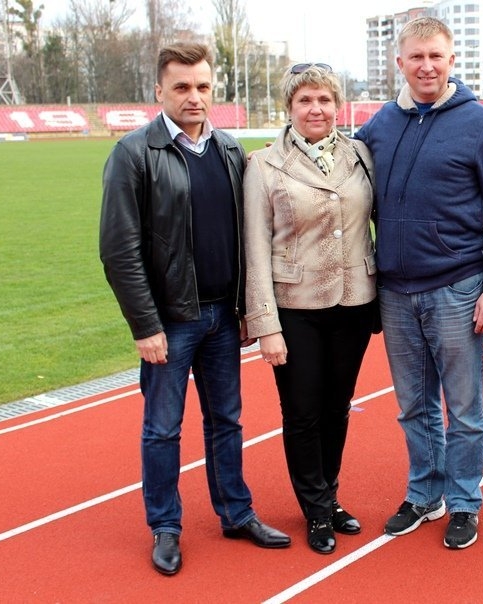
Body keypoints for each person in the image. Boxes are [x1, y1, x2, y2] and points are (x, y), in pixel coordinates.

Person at [99, 42, 291, 576]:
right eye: (181, 86)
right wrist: (145, 324)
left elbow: (246, 236)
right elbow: (119, 250)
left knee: (226, 420)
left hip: (223, 318)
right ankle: (165, 526)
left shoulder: (228, 149)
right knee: (163, 429)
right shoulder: (134, 154)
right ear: (159, 91)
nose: (194, 96)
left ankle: (236, 513)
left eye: (203, 86)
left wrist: (247, 309)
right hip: (171, 321)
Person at [354, 16, 483, 549]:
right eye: (416, 56)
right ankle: (424, 494)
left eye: (436, 56)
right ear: (400, 62)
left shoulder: (481, 124)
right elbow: (338, 178)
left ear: (452, 61)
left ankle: (465, 502)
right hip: (395, 292)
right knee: (414, 406)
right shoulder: (380, 125)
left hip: (457, 287)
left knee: (464, 409)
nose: (426, 66)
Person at [242, 63, 376, 555]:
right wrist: (265, 325)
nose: (315, 109)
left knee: (337, 408)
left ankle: (329, 494)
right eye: (305, 100)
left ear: (337, 105)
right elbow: (255, 248)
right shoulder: (263, 164)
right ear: (289, 107)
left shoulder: (360, 154)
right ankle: (316, 509)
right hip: (294, 306)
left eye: (324, 99)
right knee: (302, 412)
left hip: (353, 302)